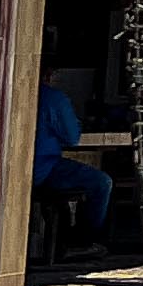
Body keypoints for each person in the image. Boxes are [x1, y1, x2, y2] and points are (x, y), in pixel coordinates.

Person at [33, 76, 115, 246]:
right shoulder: (54, 98)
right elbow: (72, 138)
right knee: (102, 182)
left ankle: (67, 241)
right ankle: (85, 242)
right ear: (50, 75)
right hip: (43, 169)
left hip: (22, 171)